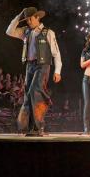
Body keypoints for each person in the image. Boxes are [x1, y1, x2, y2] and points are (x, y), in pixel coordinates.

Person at [6, 7, 62, 136]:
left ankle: (38, 126)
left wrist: (57, 71)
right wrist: (19, 15)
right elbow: (9, 31)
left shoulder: (48, 32)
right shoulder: (26, 32)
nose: (28, 22)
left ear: (37, 17)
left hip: (43, 65)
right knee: (28, 94)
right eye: (26, 20)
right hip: (30, 66)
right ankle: (32, 127)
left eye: (30, 19)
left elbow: (56, 53)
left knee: (34, 91)